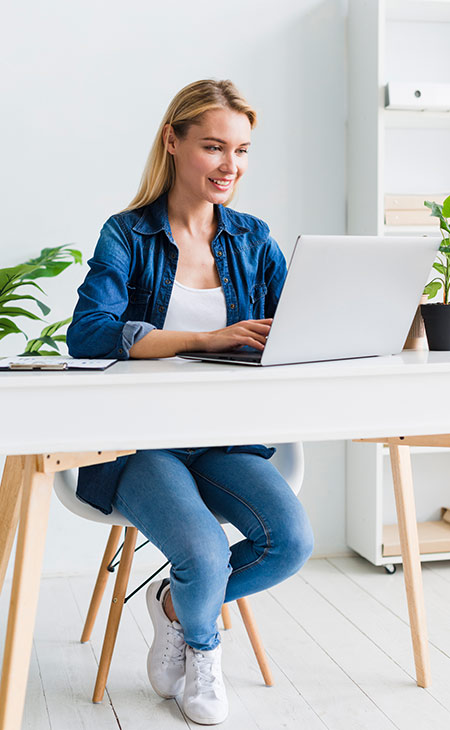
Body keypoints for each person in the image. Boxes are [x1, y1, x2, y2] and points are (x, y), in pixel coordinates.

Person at [67, 78, 314, 726]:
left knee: (289, 541)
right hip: (140, 441)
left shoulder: (253, 239)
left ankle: (176, 608)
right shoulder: (128, 234)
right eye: (213, 146)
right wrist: (205, 337)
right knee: (203, 553)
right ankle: (205, 650)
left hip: (226, 437)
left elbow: (298, 330)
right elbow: (89, 333)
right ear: (173, 143)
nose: (231, 165)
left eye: (242, 149)